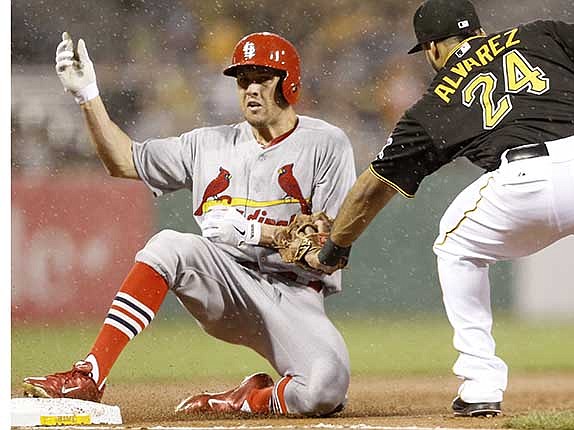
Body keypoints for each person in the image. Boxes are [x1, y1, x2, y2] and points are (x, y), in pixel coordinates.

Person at [306, 0, 574, 418]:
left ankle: (481, 384)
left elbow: (374, 186)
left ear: (433, 48)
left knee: (456, 247)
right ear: (475, 29)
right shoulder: (539, 34)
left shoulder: (436, 102)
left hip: (530, 184)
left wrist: (336, 247)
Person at [22, 31, 356, 417]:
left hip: (293, 295)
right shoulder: (207, 144)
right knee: (168, 244)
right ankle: (90, 375)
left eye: (263, 77)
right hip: (224, 283)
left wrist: (255, 231)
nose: (251, 89)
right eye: (243, 79)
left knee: (325, 389)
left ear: (289, 82)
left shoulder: (327, 144)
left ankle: (249, 399)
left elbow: (329, 249)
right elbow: (123, 160)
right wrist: (88, 96)